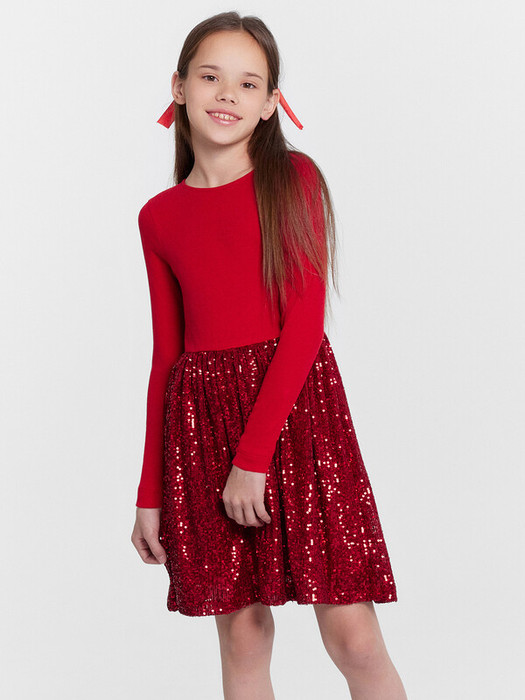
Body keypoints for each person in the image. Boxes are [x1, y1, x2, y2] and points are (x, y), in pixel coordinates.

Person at [131, 11, 407, 700]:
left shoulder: (294, 180)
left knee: (353, 637)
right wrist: (150, 494)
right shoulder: (158, 217)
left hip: (297, 421)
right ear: (178, 87)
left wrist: (252, 460)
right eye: (210, 77)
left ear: (269, 103)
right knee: (244, 637)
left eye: (248, 83)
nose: (227, 93)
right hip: (203, 428)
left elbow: (304, 329)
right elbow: (166, 358)